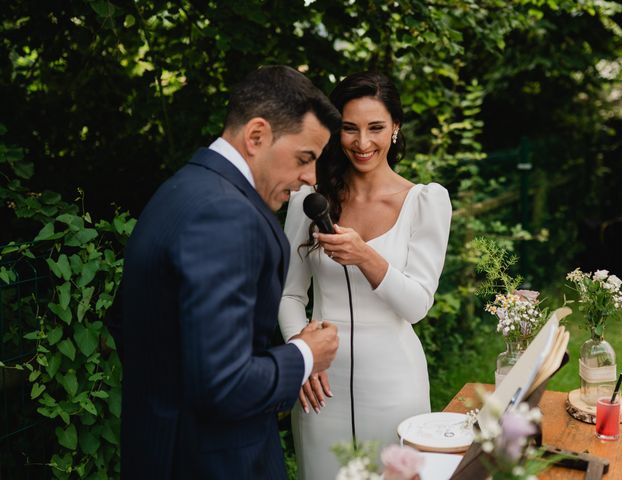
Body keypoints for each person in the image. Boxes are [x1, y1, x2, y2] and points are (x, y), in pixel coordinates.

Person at [109, 65, 341, 479]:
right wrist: (305, 354)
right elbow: (226, 385)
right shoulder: (227, 216)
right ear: (256, 136)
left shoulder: (181, 188)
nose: (310, 178)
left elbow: (125, 322)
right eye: (305, 159)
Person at [278, 71, 452, 479]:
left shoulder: (425, 202)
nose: (362, 143)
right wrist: (300, 351)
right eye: (349, 129)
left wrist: (364, 256)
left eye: (376, 128)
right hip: (320, 387)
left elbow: (417, 305)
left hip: (395, 386)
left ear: (396, 128)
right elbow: (287, 294)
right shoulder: (310, 198)